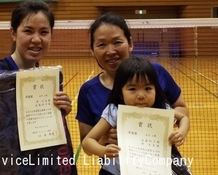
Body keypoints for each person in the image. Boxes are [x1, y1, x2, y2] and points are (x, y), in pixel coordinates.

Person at [0, 0, 77, 175]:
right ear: (13, 33)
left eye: (44, 32)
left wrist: (58, 115)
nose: (36, 39)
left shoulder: (47, 80)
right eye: (28, 31)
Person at [76, 12, 189, 174]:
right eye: (101, 45)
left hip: (158, 162)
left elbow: (181, 110)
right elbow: (87, 144)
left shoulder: (154, 72)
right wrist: (105, 139)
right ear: (92, 50)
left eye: (117, 42)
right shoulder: (89, 92)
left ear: (130, 43)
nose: (110, 51)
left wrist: (163, 124)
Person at [82, 56, 190, 175]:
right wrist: (102, 150)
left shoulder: (161, 109)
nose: (141, 95)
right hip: (116, 171)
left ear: (156, 90)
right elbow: (88, 141)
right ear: (120, 92)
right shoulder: (114, 111)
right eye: (132, 89)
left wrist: (181, 132)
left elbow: (183, 118)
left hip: (154, 168)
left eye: (148, 88)